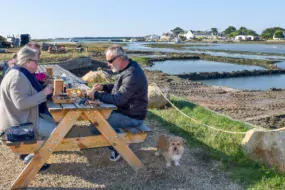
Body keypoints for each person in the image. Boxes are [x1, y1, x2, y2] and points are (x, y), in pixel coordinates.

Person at [88, 45, 148, 162]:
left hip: (132, 116)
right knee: (96, 119)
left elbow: (119, 99)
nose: (108, 64)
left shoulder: (132, 74)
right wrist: (104, 87)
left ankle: (120, 145)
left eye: (110, 61)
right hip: (125, 111)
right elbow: (119, 89)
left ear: (119, 59)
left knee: (96, 125)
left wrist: (96, 95)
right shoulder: (127, 69)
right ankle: (119, 139)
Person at [0, 46, 55, 170]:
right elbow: (21, 104)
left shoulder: (17, 72)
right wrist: (44, 93)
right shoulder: (18, 77)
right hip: (19, 124)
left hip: (20, 117)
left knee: (54, 123)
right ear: (27, 62)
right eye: (36, 61)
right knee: (57, 131)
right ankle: (33, 160)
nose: (37, 64)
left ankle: (33, 155)